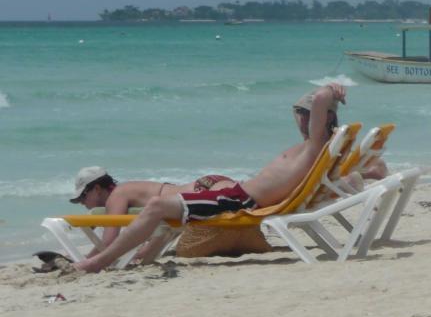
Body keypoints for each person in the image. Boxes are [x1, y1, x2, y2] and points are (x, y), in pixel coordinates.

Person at [71, 84, 348, 273]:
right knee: (159, 208)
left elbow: (321, 98)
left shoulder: (315, 144)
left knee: (156, 206)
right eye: (299, 114)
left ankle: (98, 263)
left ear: (323, 119)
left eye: (305, 114)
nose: (300, 119)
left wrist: (330, 89)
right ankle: (111, 259)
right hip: (235, 195)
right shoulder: (315, 147)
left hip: (238, 200)